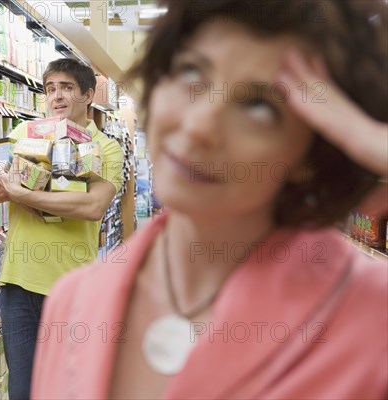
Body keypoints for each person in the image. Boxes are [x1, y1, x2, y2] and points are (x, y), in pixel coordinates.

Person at [31, 1, 388, 399]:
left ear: (312, 152)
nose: (199, 125)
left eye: (258, 105)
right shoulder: (73, 303)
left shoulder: (371, 319)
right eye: (191, 72)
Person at [0, 58, 123, 399]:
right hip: (19, 285)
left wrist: (24, 193)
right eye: (50, 89)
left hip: (73, 289)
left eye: (67, 88)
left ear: (87, 95)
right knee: (22, 391)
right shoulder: (24, 135)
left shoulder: (105, 147)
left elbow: (93, 206)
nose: (57, 97)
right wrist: (18, 190)